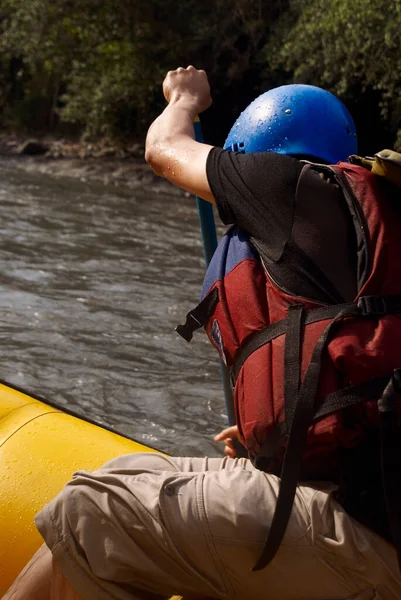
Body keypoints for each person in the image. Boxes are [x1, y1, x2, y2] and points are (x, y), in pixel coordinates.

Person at [4, 66, 401, 600]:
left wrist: (184, 98)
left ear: (250, 154)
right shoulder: (363, 230)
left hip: (365, 539)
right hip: (364, 510)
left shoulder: (284, 186)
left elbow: (164, 148)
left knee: (91, 510)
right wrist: (276, 437)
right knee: (126, 470)